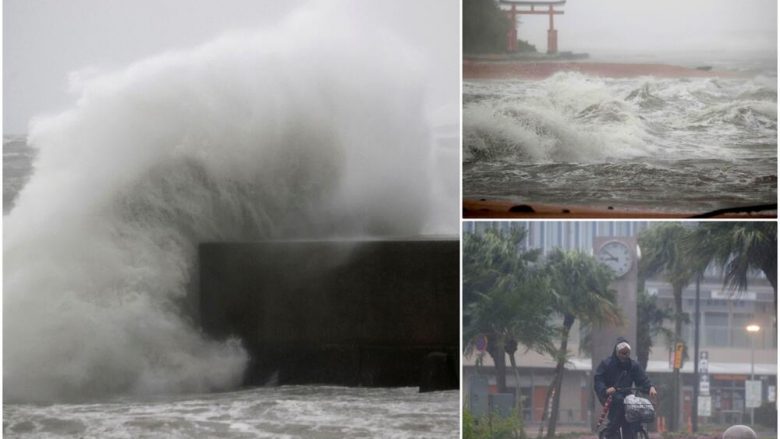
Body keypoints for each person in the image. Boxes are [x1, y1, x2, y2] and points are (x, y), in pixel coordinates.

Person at [594, 337, 657, 439]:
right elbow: (598, 380)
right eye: (622, 353)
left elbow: (642, 378)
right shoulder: (606, 364)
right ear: (616, 352)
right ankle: (610, 434)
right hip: (610, 396)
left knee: (635, 411)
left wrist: (650, 387)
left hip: (628, 396)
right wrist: (605, 390)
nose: (625, 356)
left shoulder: (633, 365)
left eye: (627, 353)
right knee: (618, 408)